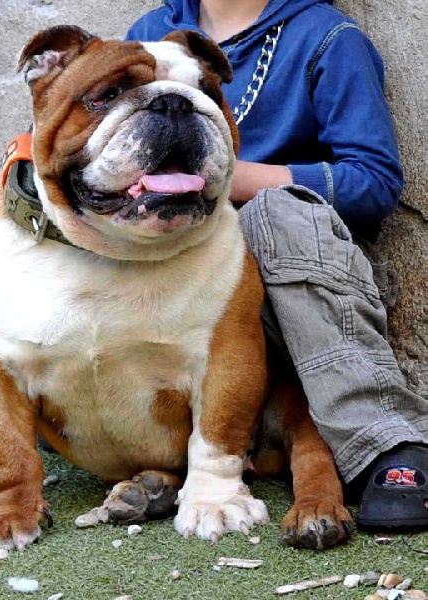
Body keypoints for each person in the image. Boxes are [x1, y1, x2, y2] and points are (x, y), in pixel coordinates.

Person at [125, 0, 428, 530]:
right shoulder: (152, 30)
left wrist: (231, 177)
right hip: (194, 283)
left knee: (273, 212)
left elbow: (374, 181)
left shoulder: (327, 37)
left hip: (303, 286)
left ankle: (389, 442)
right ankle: (159, 447)